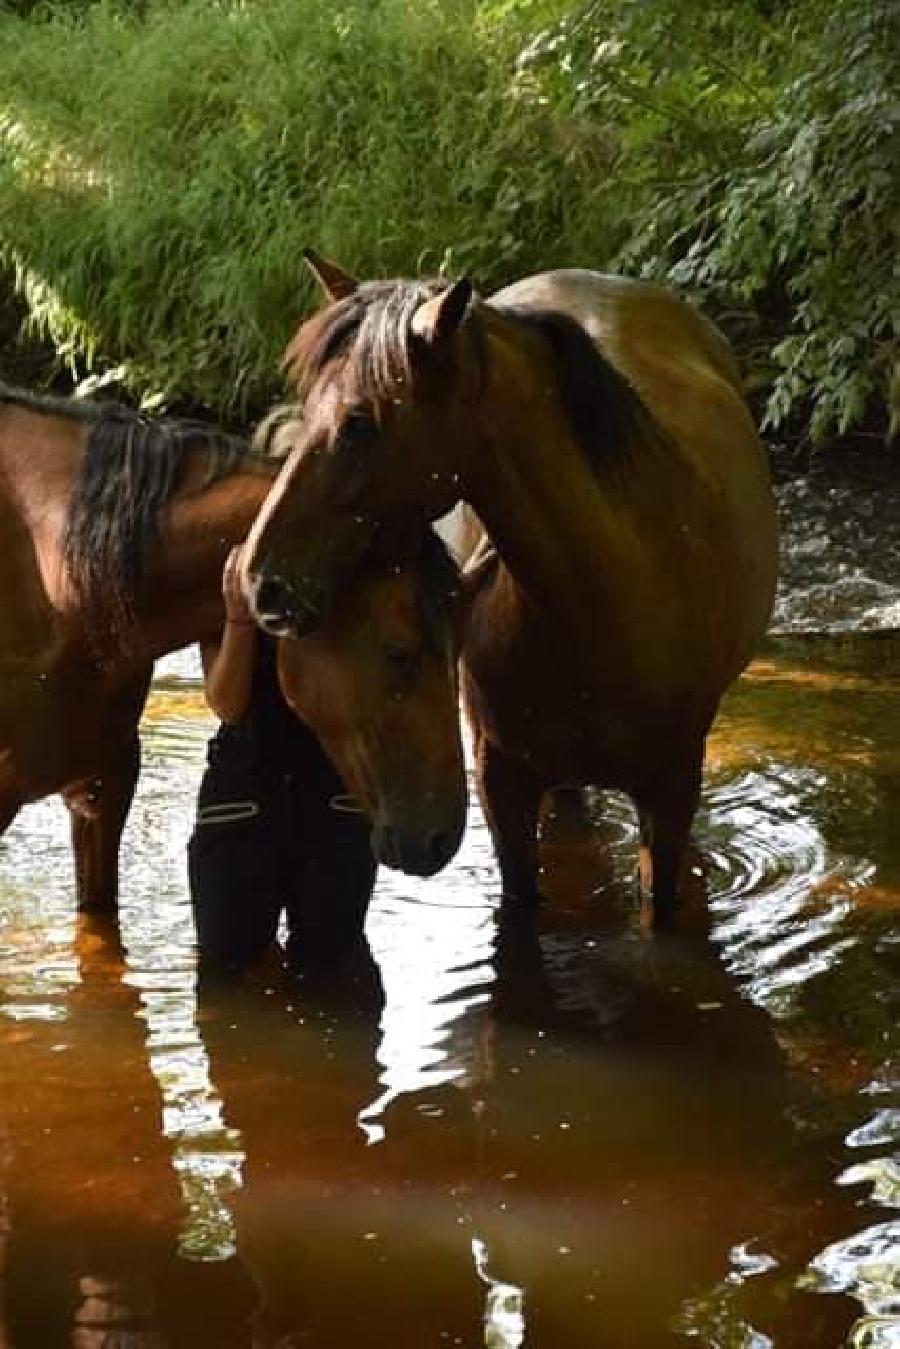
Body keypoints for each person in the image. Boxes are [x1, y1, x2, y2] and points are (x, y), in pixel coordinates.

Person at [187, 545, 377, 976]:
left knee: (332, 962)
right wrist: (239, 619)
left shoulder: (354, 568)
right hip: (243, 792)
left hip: (332, 792)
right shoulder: (228, 562)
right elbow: (227, 705)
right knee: (227, 965)